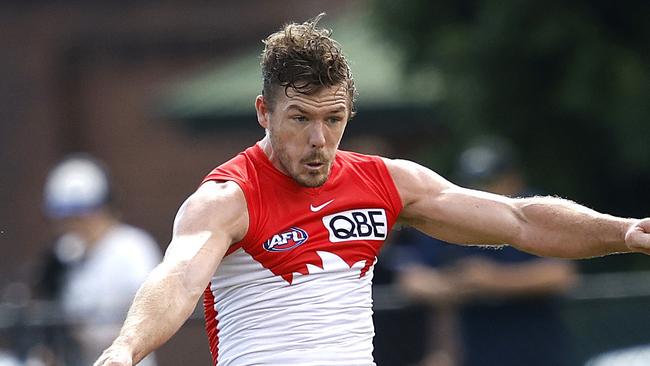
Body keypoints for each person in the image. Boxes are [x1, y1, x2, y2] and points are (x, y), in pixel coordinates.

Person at [94, 15, 650, 366]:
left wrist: (624, 231)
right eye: (299, 119)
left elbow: (521, 221)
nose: (319, 140)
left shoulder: (387, 182)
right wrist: (126, 349)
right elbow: (179, 278)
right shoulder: (226, 198)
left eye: (334, 119)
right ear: (263, 112)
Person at [393, 137, 577, 366]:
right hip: (477, 351)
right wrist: (456, 284)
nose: (482, 191)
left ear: (513, 180)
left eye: (491, 181)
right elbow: (414, 280)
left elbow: (560, 275)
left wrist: (493, 279)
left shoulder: (535, 211)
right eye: (474, 184)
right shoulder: (453, 216)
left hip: (536, 349)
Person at [40, 154, 161, 366]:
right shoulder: (64, 255)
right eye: (66, 219)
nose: (74, 226)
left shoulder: (133, 247)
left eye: (81, 216)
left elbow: (152, 312)